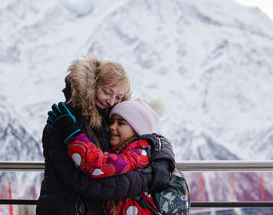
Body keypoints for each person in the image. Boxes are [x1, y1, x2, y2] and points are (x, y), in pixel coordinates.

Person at [36, 55, 175, 215]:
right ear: (92, 86)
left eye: (119, 97)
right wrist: (148, 178)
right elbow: (86, 182)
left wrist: (162, 157)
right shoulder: (63, 122)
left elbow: (147, 134)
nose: (111, 101)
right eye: (107, 92)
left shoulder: (109, 121)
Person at [48, 98, 165, 214]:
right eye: (111, 122)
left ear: (136, 130)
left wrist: (72, 133)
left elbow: (97, 165)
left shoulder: (140, 154)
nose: (111, 127)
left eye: (120, 123)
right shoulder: (124, 152)